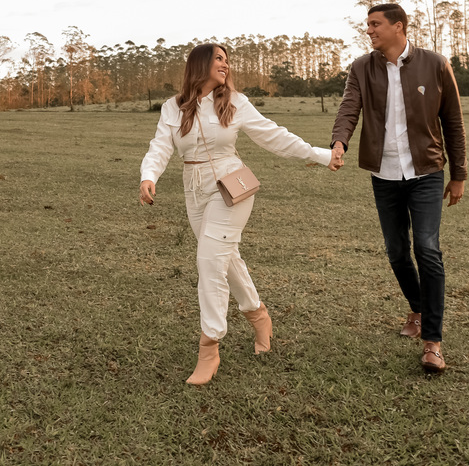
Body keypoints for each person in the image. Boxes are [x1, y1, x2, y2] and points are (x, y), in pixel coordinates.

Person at [139, 43, 334, 385]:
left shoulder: (235, 102)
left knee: (209, 261)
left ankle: (209, 347)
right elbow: (161, 145)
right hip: (193, 187)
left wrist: (321, 155)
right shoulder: (173, 106)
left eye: (227, 60)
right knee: (225, 258)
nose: (225, 65)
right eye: (218, 59)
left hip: (230, 185)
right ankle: (258, 314)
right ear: (200, 64)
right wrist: (148, 175)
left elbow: (274, 136)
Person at [330, 3, 467, 374]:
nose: (369, 30)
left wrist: (459, 174)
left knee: (427, 248)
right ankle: (417, 309)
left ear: (398, 26)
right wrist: (339, 142)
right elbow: (348, 109)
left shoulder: (435, 64)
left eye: (375, 24)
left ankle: (433, 343)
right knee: (396, 251)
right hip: (384, 174)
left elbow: (453, 122)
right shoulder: (362, 67)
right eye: (367, 25)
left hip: (427, 172)